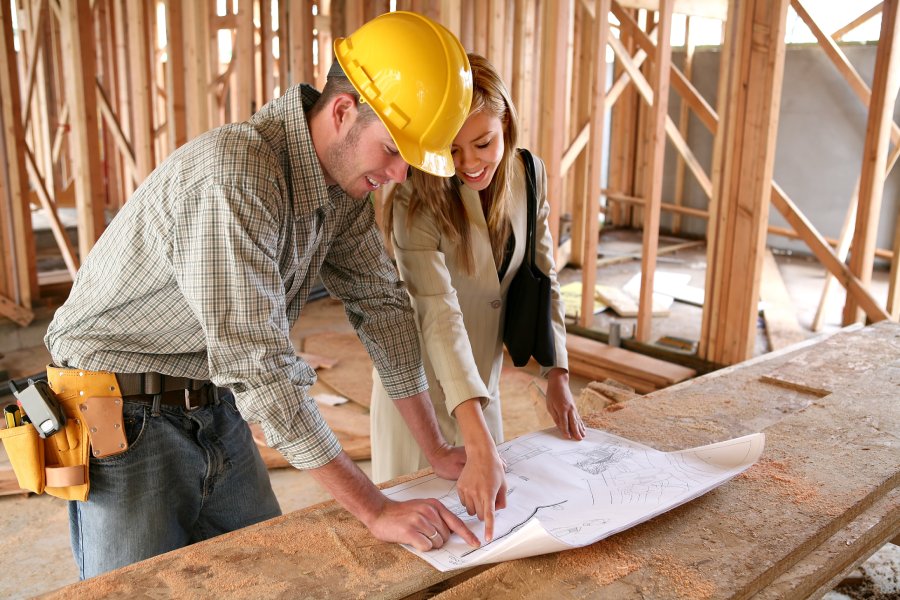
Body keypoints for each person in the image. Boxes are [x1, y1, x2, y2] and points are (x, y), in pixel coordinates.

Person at [42, 12, 484, 579]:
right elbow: (260, 365)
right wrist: (375, 509)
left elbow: (383, 308)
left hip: (214, 396)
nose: (398, 175)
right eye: (393, 150)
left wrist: (438, 449)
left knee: (267, 578)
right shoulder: (237, 174)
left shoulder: (341, 184)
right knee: (138, 591)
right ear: (343, 111)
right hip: (119, 413)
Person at [370, 54, 586, 542]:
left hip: (482, 385)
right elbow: (438, 314)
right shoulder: (413, 198)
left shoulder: (529, 175)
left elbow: (544, 275)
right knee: (423, 540)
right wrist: (476, 439)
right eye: (452, 149)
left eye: (484, 142)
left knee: (488, 534)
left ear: (506, 121)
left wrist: (557, 374)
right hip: (420, 393)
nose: (469, 164)